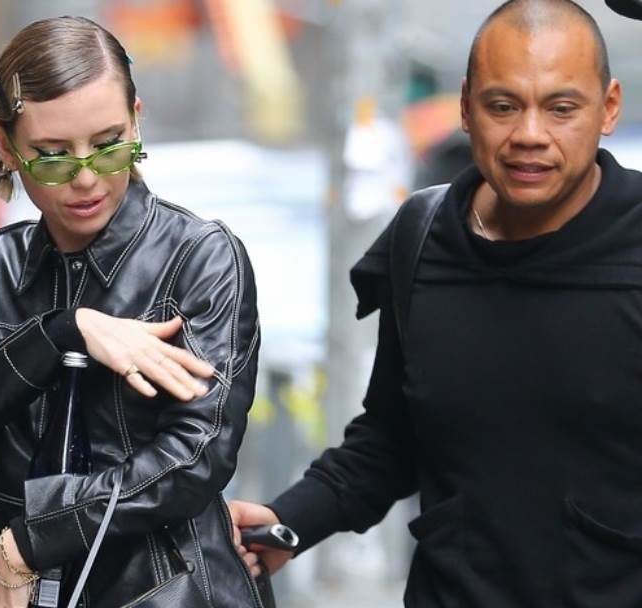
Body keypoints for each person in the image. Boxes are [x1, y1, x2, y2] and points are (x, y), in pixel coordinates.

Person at [230, 1, 642, 606]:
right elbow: (391, 439)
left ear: (608, 108)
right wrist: (287, 521)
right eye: (503, 106)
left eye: (561, 108)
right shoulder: (423, 237)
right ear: (466, 108)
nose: (530, 134)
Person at [0, 16, 263, 608]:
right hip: (11, 586)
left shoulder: (199, 256)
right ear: (5, 146)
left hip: (161, 585)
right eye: (52, 156)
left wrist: (32, 537)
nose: (87, 178)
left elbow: (196, 455)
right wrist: (60, 333)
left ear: (136, 120)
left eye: (109, 144)